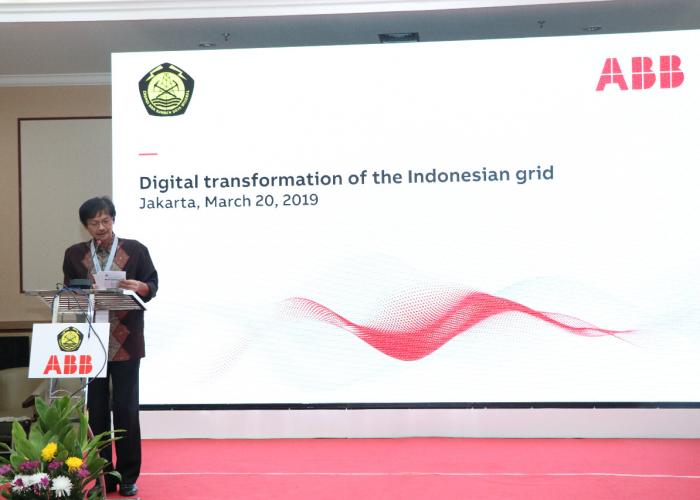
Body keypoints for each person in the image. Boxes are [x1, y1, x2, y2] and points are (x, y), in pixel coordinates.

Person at [62, 196, 158, 498]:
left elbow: (152, 286)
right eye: (94, 223)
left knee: (126, 409)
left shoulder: (135, 250)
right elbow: (69, 290)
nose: (101, 227)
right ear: (85, 226)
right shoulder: (74, 254)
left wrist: (142, 287)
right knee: (97, 411)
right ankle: (104, 475)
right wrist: (82, 292)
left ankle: (128, 476)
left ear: (113, 220)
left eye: (105, 221)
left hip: (126, 339)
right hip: (92, 340)